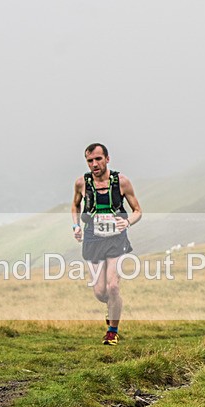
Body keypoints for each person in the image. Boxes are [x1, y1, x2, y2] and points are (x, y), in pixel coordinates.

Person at [71, 143, 142, 345]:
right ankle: (112, 307)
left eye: (98, 159)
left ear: (107, 159)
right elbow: (75, 205)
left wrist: (127, 221)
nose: (94, 164)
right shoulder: (81, 183)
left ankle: (112, 332)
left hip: (116, 238)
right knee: (100, 292)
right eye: (90, 161)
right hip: (93, 237)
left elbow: (138, 210)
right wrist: (75, 226)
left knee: (113, 287)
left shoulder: (121, 181)